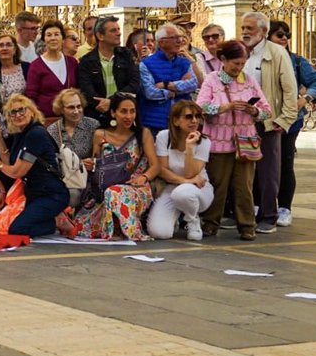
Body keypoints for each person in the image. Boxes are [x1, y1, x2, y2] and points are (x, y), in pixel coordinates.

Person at [196, 39, 272, 240]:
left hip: (245, 143)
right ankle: (211, 223)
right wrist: (224, 108)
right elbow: (201, 107)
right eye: (235, 64)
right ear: (223, 60)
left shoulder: (249, 80)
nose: (238, 68)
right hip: (218, 144)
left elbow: (267, 110)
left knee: (243, 187)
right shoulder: (212, 80)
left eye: (242, 63)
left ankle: (247, 226)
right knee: (218, 185)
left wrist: (253, 110)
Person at [238, 11, 299, 233]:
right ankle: (243, 213)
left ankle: (268, 215)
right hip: (241, 121)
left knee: (268, 171)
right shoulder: (240, 51)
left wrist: (284, 120)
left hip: (268, 121)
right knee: (243, 169)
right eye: (243, 28)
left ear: (263, 31)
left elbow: (289, 89)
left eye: (250, 29)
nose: (245, 32)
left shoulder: (277, 53)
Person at [70, 92, 158, 241]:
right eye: (123, 111)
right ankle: (115, 227)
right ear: (113, 113)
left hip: (136, 187)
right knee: (79, 228)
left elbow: (156, 165)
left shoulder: (143, 134)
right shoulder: (100, 134)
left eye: (132, 111)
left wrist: (144, 177)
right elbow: (97, 164)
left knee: (114, 192)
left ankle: (131, 232)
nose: (129, 116)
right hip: (106, 189)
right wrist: (88, 163)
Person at [268, 19, 316, 227]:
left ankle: (284, 207)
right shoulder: (259, 59)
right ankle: (260, 205)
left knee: (284, 162)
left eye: (287, 35)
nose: (284, 39)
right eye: (279, 35)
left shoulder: (297, 61)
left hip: (291, 120)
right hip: (265, 118)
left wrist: (306, 98)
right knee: (260, 163)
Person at [0, 95, 68, 237]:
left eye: (22, 110)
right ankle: (52, 217)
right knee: (7, 223)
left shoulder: (36, 134)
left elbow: (17, 172)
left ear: (32, 111)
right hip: (34, 194)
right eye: (13, 112)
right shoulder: (21, 133)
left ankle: (57, 222)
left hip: (51, 194)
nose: (18, 115)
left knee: (17, 230)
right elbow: (10, 163)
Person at [147, 101, 214, 241]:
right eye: (189, 117)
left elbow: (191, 173)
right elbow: (162, 170)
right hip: (171, 188)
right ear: (176, 120)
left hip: (198, 189)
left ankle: (193, 220)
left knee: (182, 192)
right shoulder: (163, 137)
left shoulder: (204, 141)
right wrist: (185, 180)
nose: (194, 120)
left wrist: (189, 147)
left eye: (197, 116)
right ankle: (174, 220)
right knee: (159, 233)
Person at [77, 16, 139, 126]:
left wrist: (112, 101)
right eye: (113, 30)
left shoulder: (126, 55)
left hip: (126, 115)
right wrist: (104, 105)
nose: (119, 33)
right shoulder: (87, 61)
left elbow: (135, 83)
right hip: (97, 116)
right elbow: (87, 91)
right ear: (100, 36)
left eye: (118, 29)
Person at [138, 22, 198, 134]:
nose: (180, 41)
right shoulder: (147, 64)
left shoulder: (184, 62)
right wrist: (172, 92)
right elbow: (150, 92)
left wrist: (167, 85)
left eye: (181, 37)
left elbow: (193, 84)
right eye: (174, 38)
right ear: (162, 42)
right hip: (156, 122)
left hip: (183, 122)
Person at [46, 88, 99, 207]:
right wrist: (78, 164)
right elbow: (51, 162)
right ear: (61, 110)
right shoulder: (53, 130)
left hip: (90, 177)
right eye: (71, 107)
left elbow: (101, 156)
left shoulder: (93, 125)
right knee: (71, 194)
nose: (76, 111)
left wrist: (92, 162)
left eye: (79, 106)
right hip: (66, 179)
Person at [25, 19, 79, 120]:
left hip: (71, 119)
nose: (53, 38)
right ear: (44, 39)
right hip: (46, 120)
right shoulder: (36, 65)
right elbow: (31, 97)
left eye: (56, 34)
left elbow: (78, 90)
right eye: (49, 35)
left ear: (63, 38)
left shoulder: (72, 63)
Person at [0, 32, 30, 105]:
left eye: (9, 45)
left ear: (15, 49)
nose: (5, 48)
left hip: (22, 113)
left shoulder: (26, 68)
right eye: (1, 45)